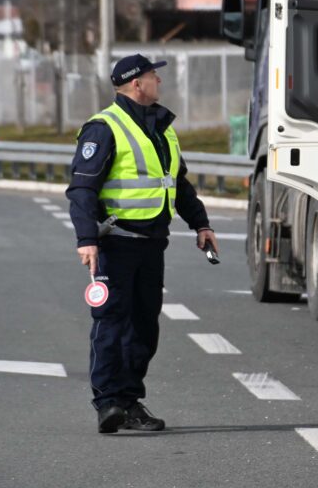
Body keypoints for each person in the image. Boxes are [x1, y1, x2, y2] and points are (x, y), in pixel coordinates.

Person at [66, 54, 219, 434]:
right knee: (111, 324)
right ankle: (108, 404)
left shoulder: (163, 127)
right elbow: (82, 188)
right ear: (136, 84)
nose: (159, 82)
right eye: (154, 76)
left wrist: (200, 223)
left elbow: (177, 183)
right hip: (116, 243)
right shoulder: (104, 128)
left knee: (144, 327)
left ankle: (130, 401)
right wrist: (87, 239)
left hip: (152, 245)